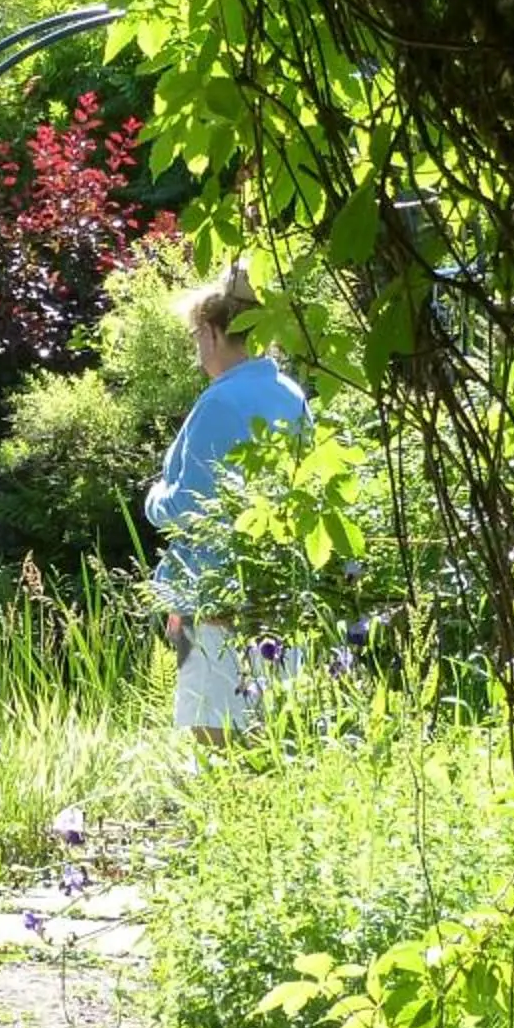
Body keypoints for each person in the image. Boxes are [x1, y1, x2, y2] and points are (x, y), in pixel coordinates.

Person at [144, 265, 311, 738]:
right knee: (274, 732)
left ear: (213, 331)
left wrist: (154, 499)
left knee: (213, 735)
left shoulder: (219, 403)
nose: (197, 350)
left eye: (196, 336)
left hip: (217, 598)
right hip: (280, 588)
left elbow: (191, 506)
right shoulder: (290, 394)